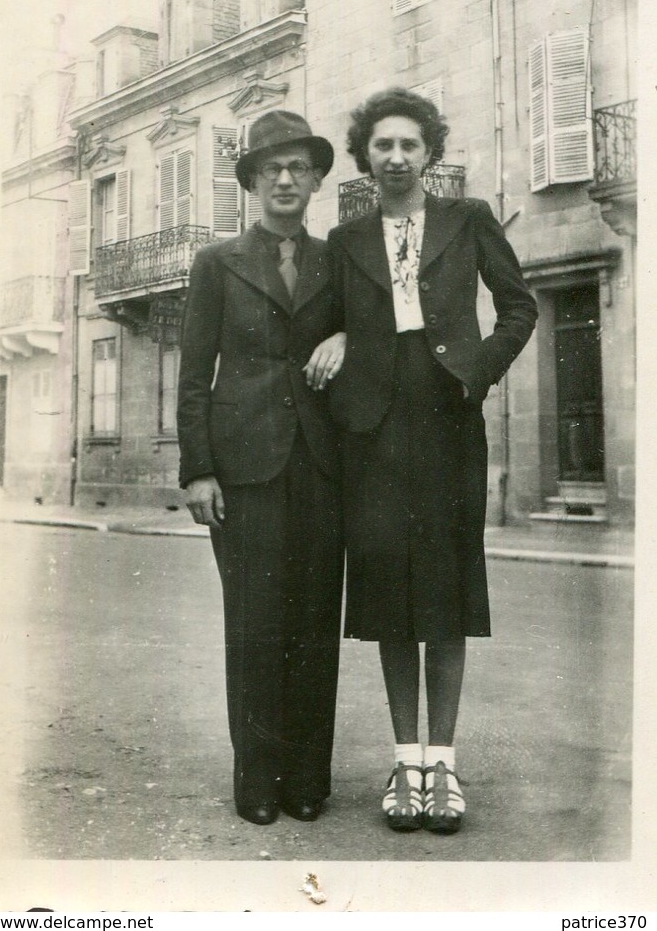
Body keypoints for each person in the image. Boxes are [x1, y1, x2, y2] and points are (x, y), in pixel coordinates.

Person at [320, 87, 537, 834]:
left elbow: (519, 308)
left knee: (443, 589)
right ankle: (402, 760)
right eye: (382, 145)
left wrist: (474, 373)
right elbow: (323, 323)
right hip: (373, 429)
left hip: (447, 416)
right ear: (365, 156)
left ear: (429, 152)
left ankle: (441, 764)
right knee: (386, 593)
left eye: (409, 144)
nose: (395, 157)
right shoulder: (345, 241)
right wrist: (339, 337)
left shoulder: (467, 220)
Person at [177, 110, 346, 827]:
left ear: (312, 180)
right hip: (242, 467)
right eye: (270, 168)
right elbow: (191, 375)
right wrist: (198, 471)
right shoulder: (218, 262)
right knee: (253, 623)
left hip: (320, 462)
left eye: (297, 167)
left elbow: (373, 329)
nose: (284, 178)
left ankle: (308, 776)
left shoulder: (335, 260)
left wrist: (343, 334)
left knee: (313, 621)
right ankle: (256, 775)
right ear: (251, 181)